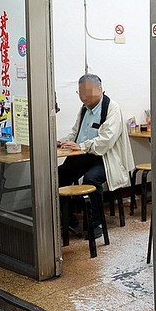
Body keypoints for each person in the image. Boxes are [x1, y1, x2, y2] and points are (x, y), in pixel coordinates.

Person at [58, 74, 135, 239]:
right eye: (80, 93)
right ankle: (68, 217)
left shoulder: (112, 108)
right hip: (85, 154)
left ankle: (96, 224)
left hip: (105, 158)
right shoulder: (84, 109)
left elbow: (106, 140)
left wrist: (81, 146)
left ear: (99, 89)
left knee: (91, 178)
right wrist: (63, 142)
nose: (83, 97)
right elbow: (76, 133)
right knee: (59, 175)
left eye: (87, 93)